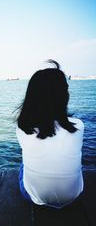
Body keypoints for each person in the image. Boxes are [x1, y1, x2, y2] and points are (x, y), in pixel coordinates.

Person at [16, 60, 84, 208]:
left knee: (23, 164)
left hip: (34, 198)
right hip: (74, 196)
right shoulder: (79, 125)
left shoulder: (22, 128)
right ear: (63, 95)